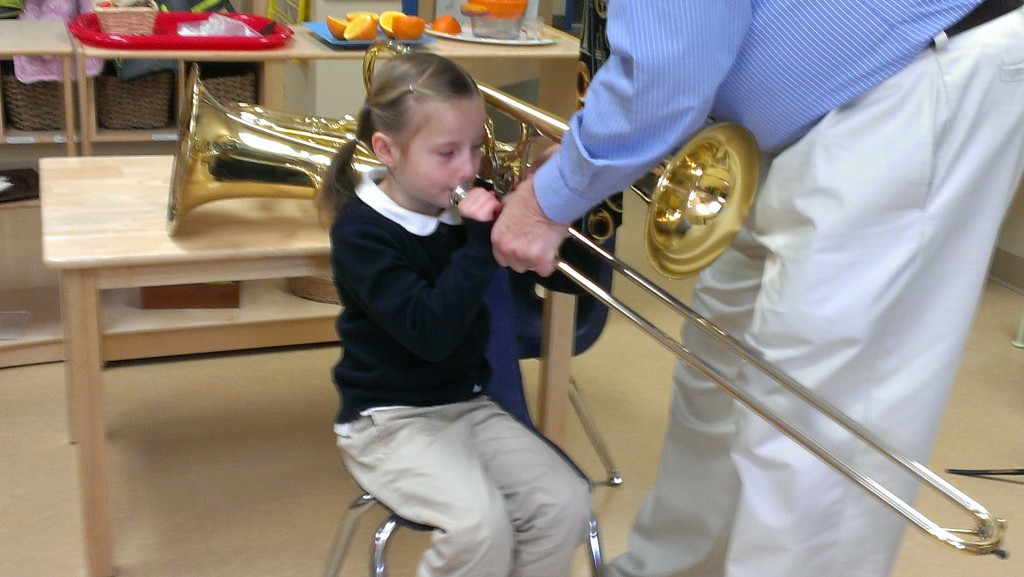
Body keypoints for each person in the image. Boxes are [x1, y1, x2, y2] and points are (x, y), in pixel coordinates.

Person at [491, 2, 1024, 577]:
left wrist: (551, 199)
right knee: (717, 379)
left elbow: (667, 70)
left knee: (816, 427)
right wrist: (592, 153)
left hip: (906, 77)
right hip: (779, 118)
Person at [316, 51, 591, 577]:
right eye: (447, 152)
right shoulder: (361, 233)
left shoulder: (467, 208)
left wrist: (554, 206)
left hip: (467, 405)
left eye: (475, 147)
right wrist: (480, 243)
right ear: (387, 150)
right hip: (387, 421)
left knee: (565, 502)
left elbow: (561, 278)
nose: (468, 169)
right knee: (478, 528)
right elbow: (430, 333)